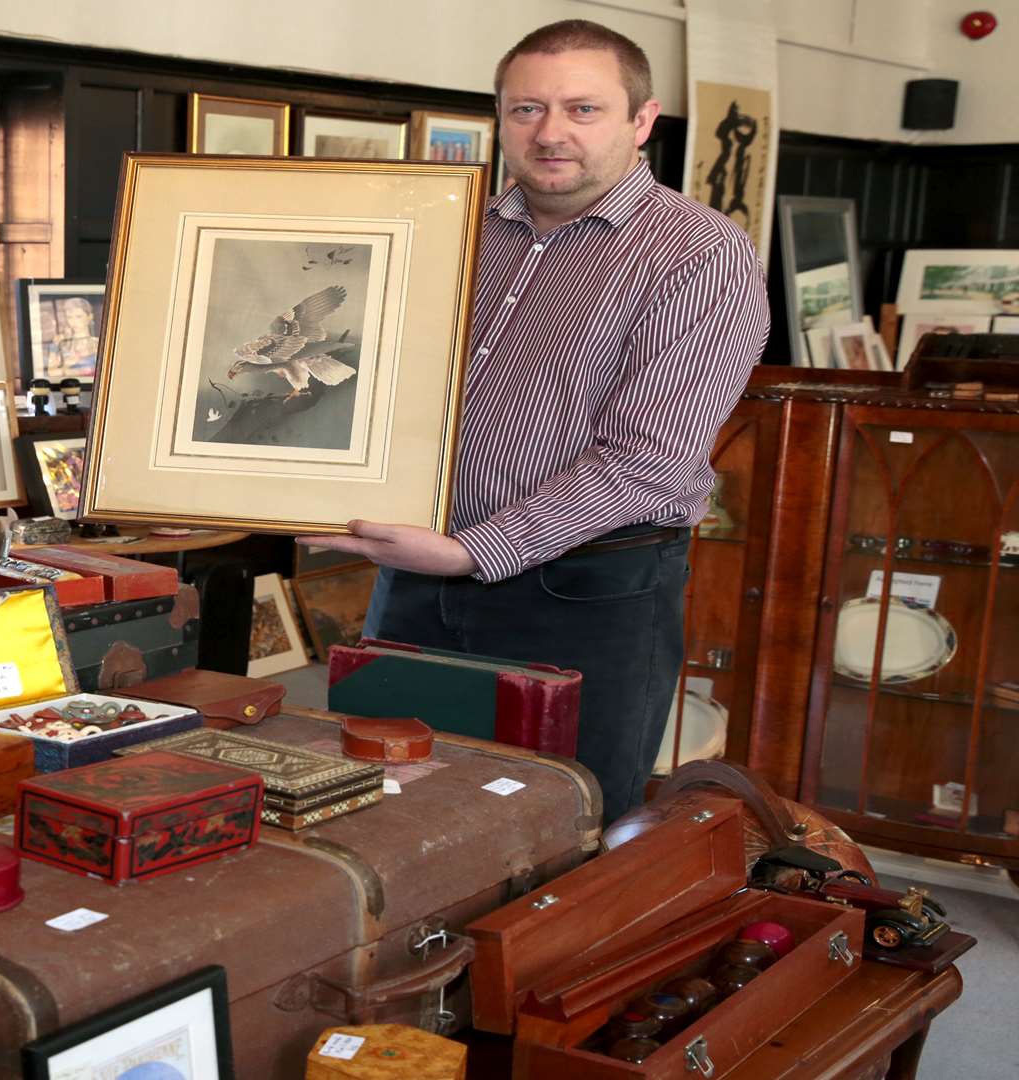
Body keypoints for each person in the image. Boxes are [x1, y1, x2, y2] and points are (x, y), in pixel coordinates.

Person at [301, 19, 768, 824]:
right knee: (385, 809)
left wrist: (469, 552)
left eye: (582, 109)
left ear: (642, 120)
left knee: (559, 827)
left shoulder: (699, 254)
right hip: (414, 574)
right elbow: (372, 385)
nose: (550, 133)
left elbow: (647, 461)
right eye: (526, 110)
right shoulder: (451, 233)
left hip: (585, 592)